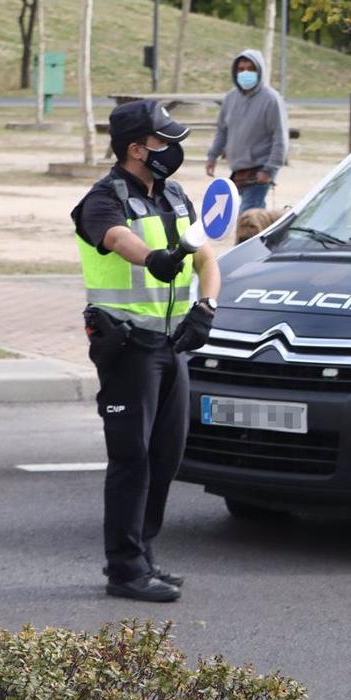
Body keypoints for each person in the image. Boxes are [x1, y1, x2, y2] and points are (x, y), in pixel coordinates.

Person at [72, 100, 221, 603]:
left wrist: (207, 305)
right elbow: (115, 239)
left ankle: (145, 556)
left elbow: (205, 256)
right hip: (129, 347)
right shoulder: (102, 198)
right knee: (132, 458)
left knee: (165, 456)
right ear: (137, 149)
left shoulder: (176, 194)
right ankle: (125, 569)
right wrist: (153, 257)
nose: (173, 149)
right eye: (163, 141)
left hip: (173, 346)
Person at [205, 48, 288, 211]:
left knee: (249, 213)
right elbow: (222, 130)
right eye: (241, 69)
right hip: (239, 169)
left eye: (251, 69)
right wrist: (212, 156)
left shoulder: (271, 99)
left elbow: (280, 138)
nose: (245, 73)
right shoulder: (230, 98)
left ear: (260, 71)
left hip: (261, 168)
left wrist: (269, 170)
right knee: (240, 215)